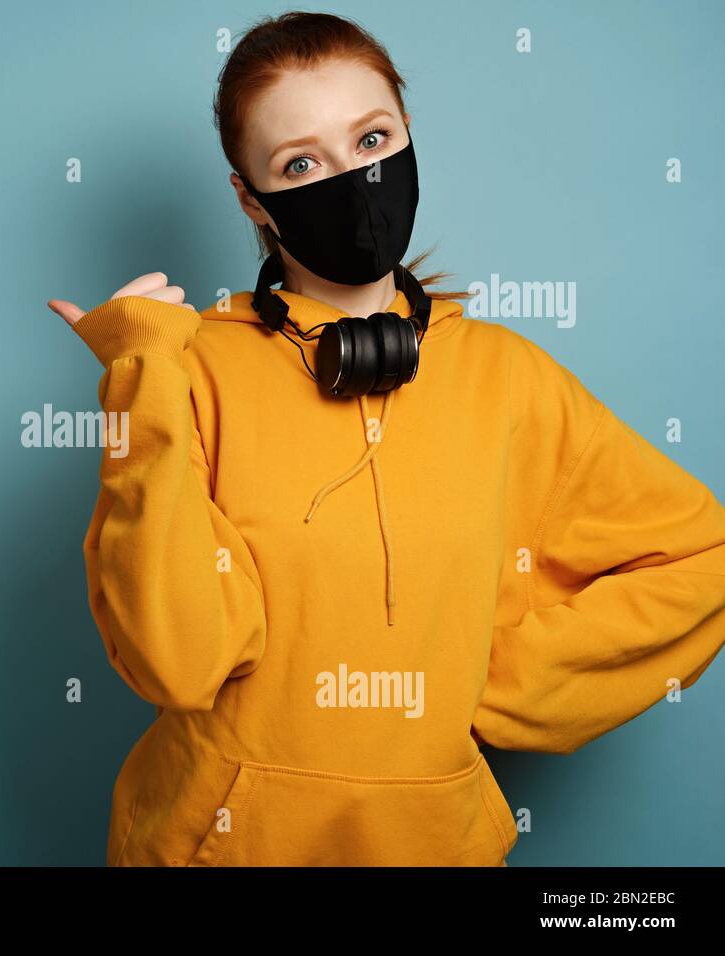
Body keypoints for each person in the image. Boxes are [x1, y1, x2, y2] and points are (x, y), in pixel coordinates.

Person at [45, 11, 725, 866]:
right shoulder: (189, 371)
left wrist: (484, 688)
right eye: (301, 163)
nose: (353, 179)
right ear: (250, 198)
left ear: (407, 139)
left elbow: (699, 559)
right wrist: (139, 377)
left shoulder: (510, 378)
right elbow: (178, 664)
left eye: (372, 139)